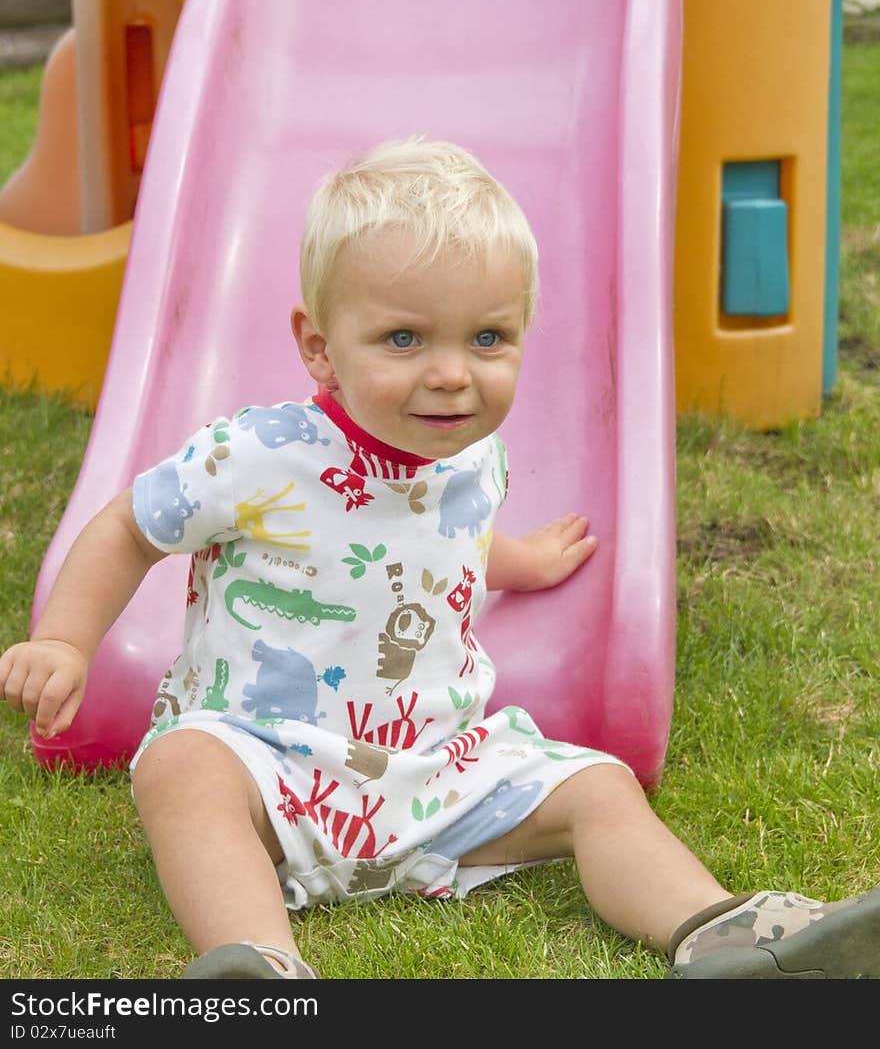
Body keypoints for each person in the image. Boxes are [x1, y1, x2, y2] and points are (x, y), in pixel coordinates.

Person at [1, 137, 877, 983]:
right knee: (179, 768)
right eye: (405, 340)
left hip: (432, 773)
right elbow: (129, 527)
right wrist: (67, 641)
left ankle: (720, 929)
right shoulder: (257, 455)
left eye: (488, 338)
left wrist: (522, 561)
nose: (454, 374)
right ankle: (259, 963)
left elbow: (435, 548)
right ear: (319, 346)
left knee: (599, 784)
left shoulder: (470, 461)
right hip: (271, 765)